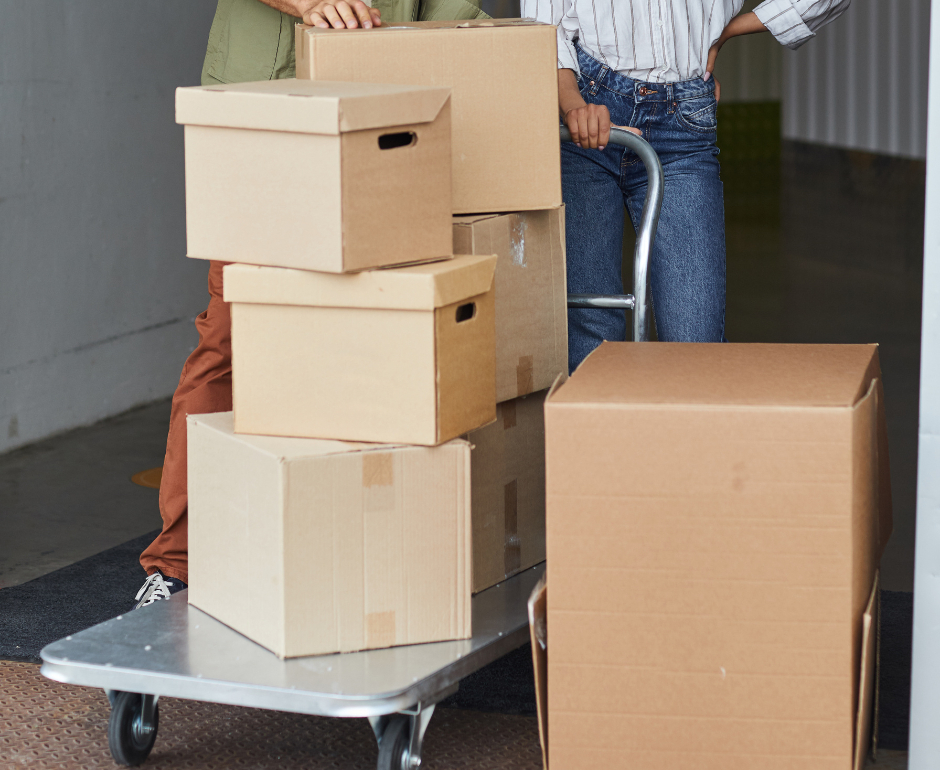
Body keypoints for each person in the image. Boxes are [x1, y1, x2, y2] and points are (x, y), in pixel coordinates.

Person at [134, 0, 488, 608]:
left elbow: (451, 13)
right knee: (233, 336)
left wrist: (506, 55)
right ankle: (178, 563)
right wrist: (310, 4)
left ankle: (341, 557)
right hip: (264, 116)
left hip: (374, 127)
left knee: (364, 338)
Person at [521, 0, 851, 372]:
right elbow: (544, 25)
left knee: (695, 344)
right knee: (590, 336)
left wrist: (729, 29)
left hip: (683, 125)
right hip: (587, 118)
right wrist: (573, 106)